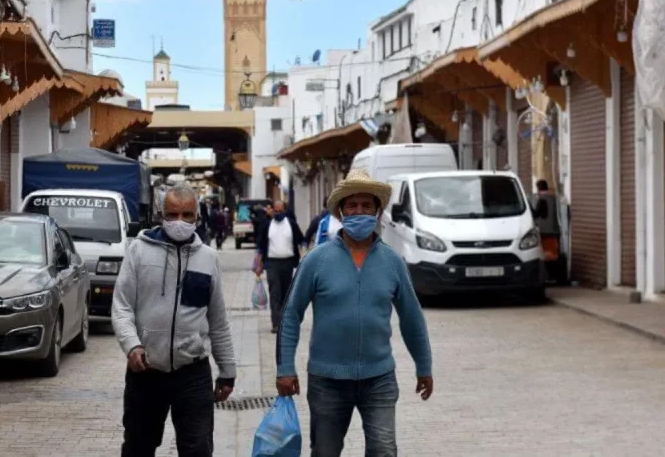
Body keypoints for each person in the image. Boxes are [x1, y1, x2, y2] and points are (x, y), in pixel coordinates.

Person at [276, 168, 433, 456]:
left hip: (379, 378)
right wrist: (285, 368)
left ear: (377, 211)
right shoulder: (316, 261)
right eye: (352, 205)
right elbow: (290, 316)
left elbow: (412, 318)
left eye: (366, 205)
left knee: (384, 450)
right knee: (325, 451)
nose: (359, 211)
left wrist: (424, 366)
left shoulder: (392, 262)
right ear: (340, 212)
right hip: (327, 381)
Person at [112, 182, 237, 457]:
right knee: (138, 447)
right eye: (172, 215)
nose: (179, 222)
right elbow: (121, 307)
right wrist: (132, 345)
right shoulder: (138, 252)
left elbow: (217, 319)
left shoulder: (208, 258)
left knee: (197, 449)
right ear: (161, 215)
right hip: (145, 372)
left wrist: (227, 371)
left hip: (192, 374)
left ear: (197, 217)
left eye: (186, 215)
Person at [255, 200, 305, 334]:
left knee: (286, 293)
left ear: (285, 210)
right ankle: (276, 323)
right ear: (272, 210)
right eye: (276, 211)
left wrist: (304, 258)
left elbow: (302, 241)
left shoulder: (291, 225)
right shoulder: (267, 225)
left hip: (288, 263)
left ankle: (284, 321)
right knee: (275, 292)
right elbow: (260, 247)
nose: (278, 213)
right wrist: (258, 265)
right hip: (272, 264)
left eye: (280, 211)